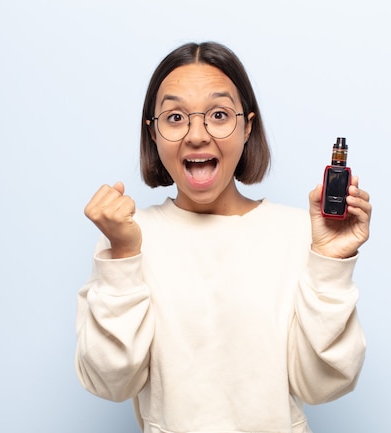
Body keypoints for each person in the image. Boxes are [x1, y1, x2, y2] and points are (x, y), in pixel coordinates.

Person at [75, 41, 372, 433]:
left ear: (248, 126)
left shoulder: (299, 234)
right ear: (153, 133)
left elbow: (324, 384)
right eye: (175, 117)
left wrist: (330, 264)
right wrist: (124, 256)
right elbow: (111, 381)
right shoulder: (127, 238)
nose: (197, 135)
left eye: (218, 114)